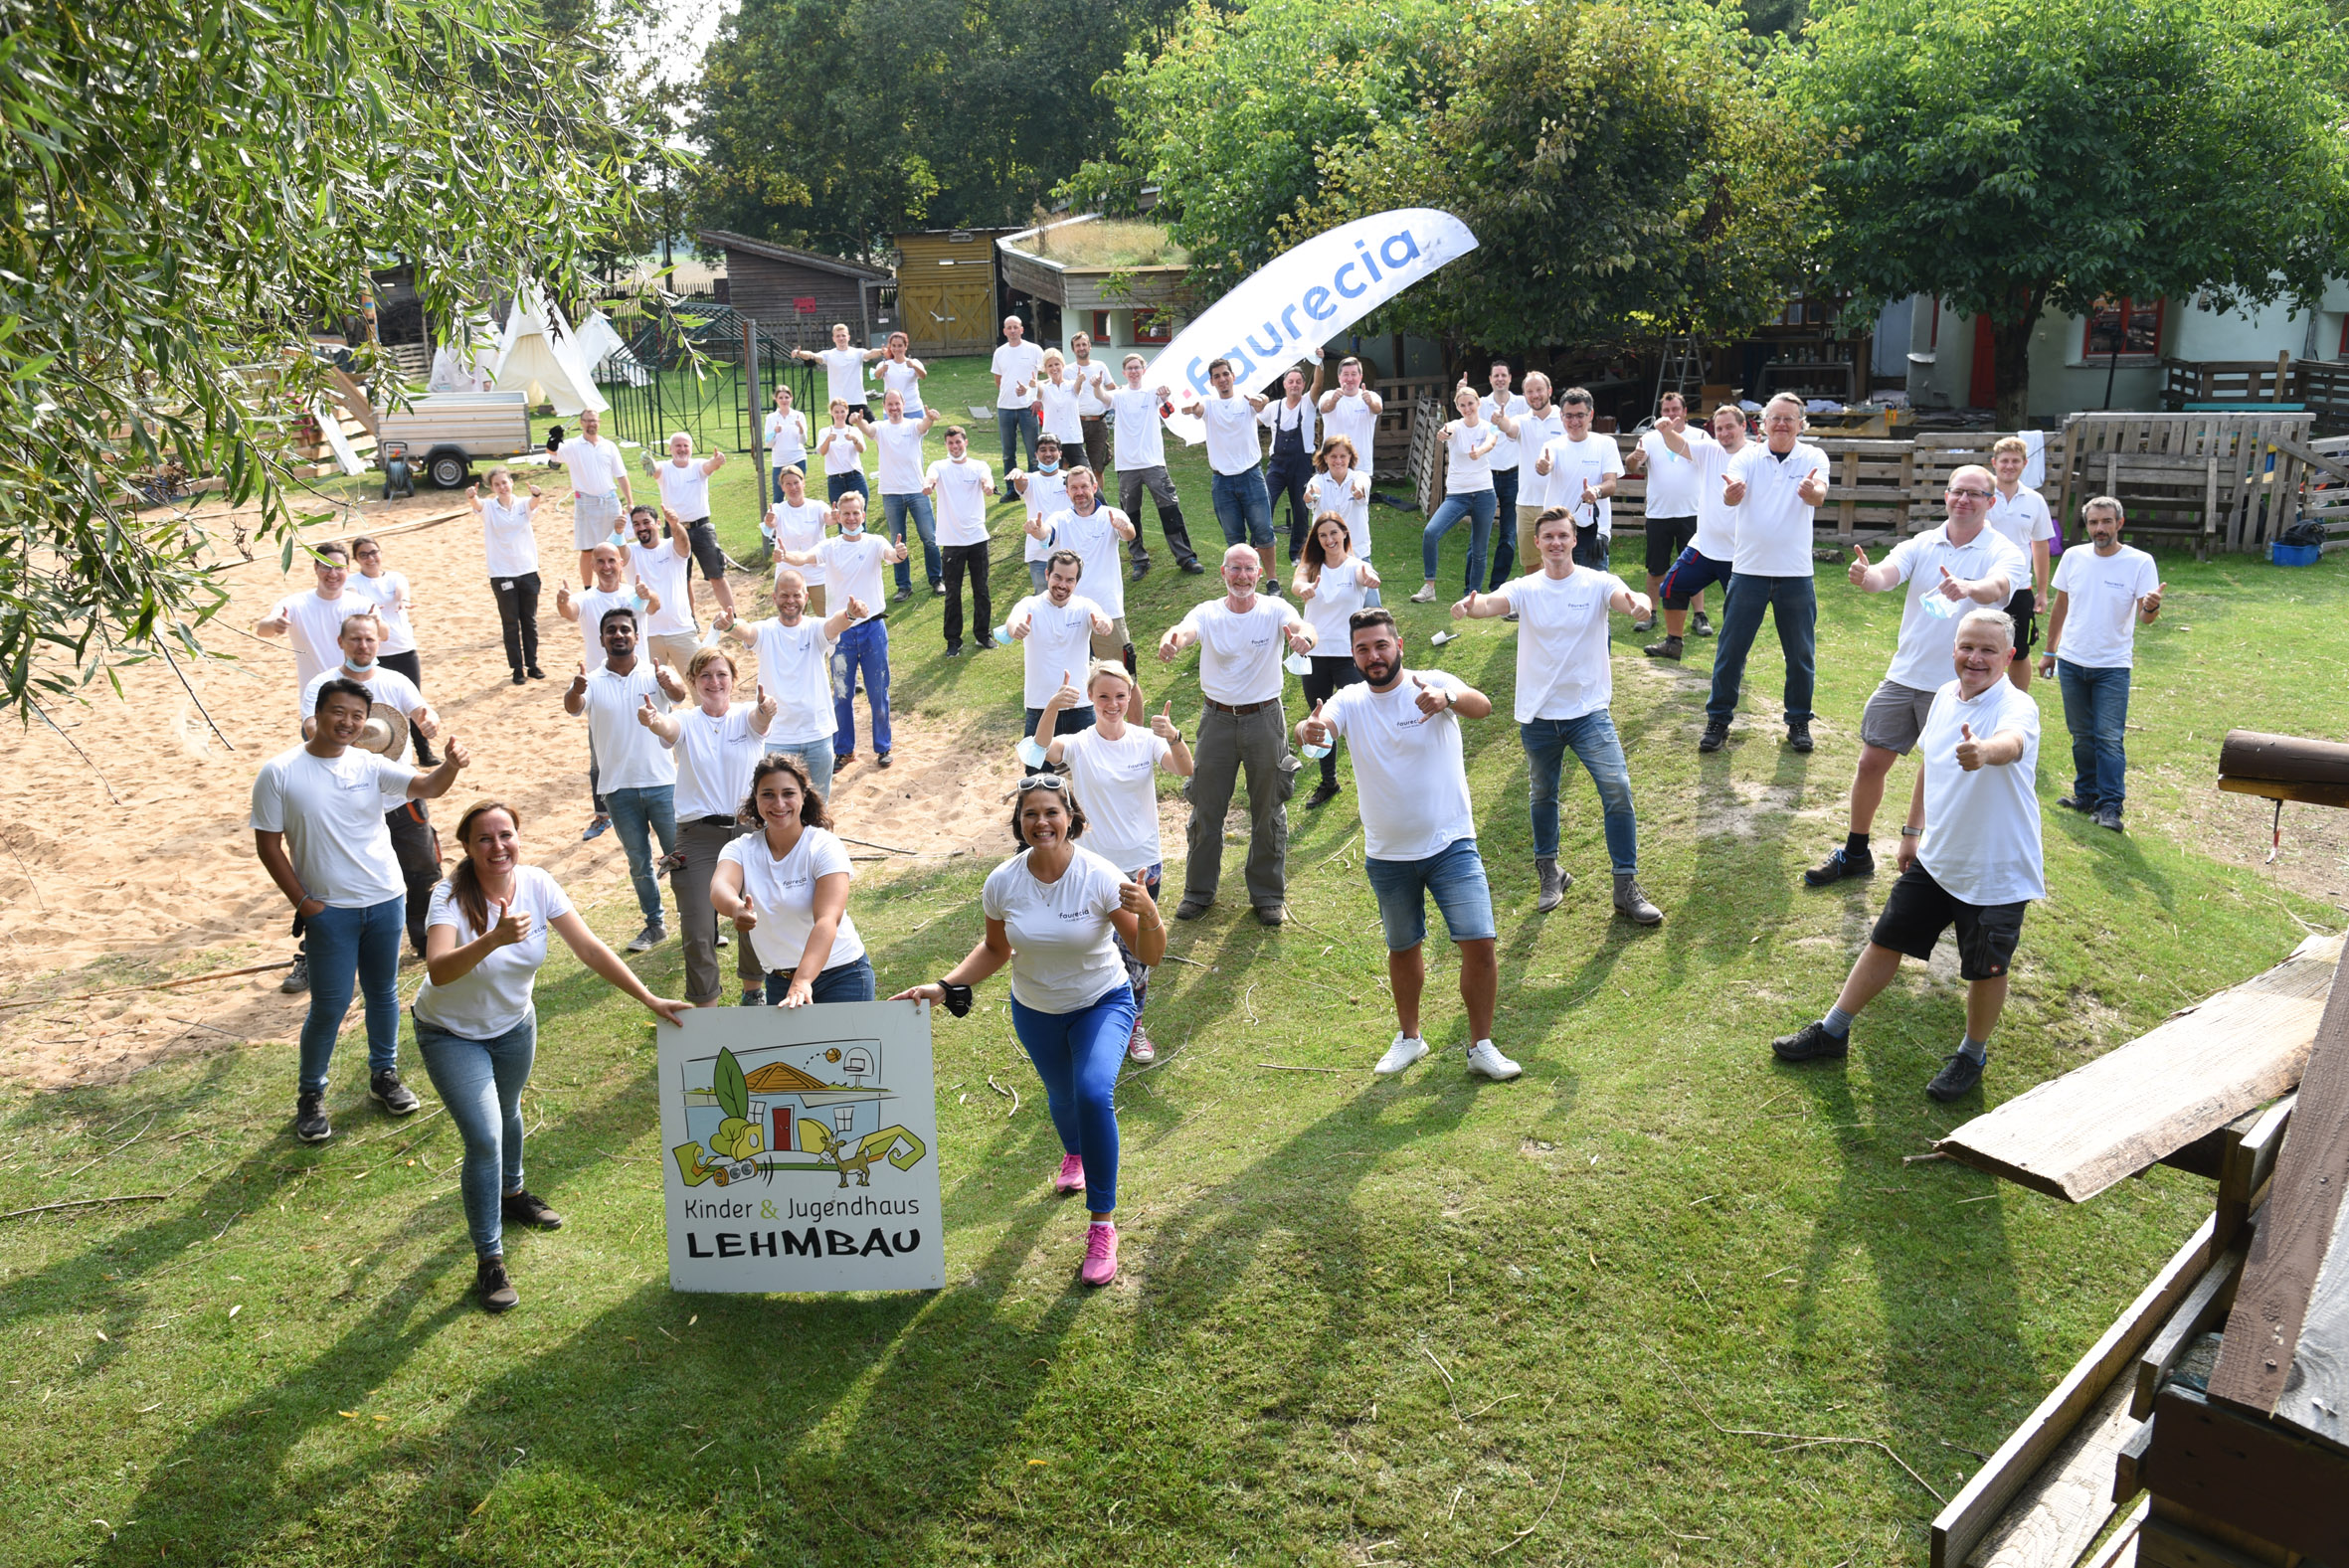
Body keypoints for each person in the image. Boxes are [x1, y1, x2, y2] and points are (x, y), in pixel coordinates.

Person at [890, 776, 1165, 1287]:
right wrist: (943, 986)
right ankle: (1075, 1154)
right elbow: (996, 950)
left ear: (1071, 819)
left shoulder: (1099, 876)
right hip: (1035, 1008)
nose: (1042, 822)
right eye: (1031, 813)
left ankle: (1102, 1224)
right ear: (1020, 823)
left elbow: (1149, 955)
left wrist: (1147, 909)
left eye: (1052, 812)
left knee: (1091, 1092)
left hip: (1102, 1001)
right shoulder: (1003, 882)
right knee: (1061, 1097)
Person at [415, 798, 688, 1311]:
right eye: (484, 839)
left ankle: (513, 1195)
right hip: (449, 1031)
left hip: (514, 1025)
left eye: (506, 835)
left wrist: (648, 998)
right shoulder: (448, 896)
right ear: (468, 847)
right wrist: (492, 939)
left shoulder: (538, 884)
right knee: (484, 1134)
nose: (498, 847)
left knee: (510, 1110)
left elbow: (590, 949)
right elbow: (438, 971)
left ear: (518, 837)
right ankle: (489, 1257)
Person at [1771, 609, 2043, 1103]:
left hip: (1997, 871)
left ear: (2007, 656)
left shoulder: (2017, 706)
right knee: (1885, 939)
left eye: (1987, 650)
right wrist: (1912, 832)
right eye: (1967, 646)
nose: (1974, 657)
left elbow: (2014, 742)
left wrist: (1985, 751)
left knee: (1985, 969)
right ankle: (1833, 1031)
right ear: (1954, 648)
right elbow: (1929, 766)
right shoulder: (1943, 696)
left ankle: (1972, 1055)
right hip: (1939, 859)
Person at [1298, 610, 1519, 1081]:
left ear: (1398, 643)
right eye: (1363, 649)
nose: (1373, 656)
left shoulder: (1430, 681)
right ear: (1353, 654)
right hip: (1388, 854)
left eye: (1380, 645)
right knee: (1404, 947)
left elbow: (1483, 706)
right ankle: (1411, 1038)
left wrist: (1448, 698)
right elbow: (1318, 733)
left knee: (1479, 943)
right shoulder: (1349, 699)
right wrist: (1309, 732)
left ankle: (1482, 1046)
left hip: (1451, 843)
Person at [251, 678, 470, 1142]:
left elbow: (428, 786)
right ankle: (310, 1096)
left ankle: (384, 1076)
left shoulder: (370, 765)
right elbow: (269, 846)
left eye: (356, 716)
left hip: (385, 899)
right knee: (329, 1006)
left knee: (384, 994)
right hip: (330, 911)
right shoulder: (280, 772)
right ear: (318, 712)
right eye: (338, 712)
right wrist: (306, 904)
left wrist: (450, 765)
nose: (347, 723)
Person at [1805, 464, 2026, 886]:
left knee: (1946, 774)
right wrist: (1865, 576)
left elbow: (1999, 586)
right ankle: (1856, 853)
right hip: (1905, 675)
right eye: (1957, 491)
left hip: (1961, 686)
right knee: (1871, 762)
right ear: (1946, 496)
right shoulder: (1924, 543)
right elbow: (1884, 576)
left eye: (1975, 494)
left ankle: (1932, 859)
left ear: (1991, 503)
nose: (1964, 500)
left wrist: (1969, 587)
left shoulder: (2003, 550)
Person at [1456, 506, 1663, 923]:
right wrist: (1472, 607)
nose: (1555, 543)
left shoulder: (1597, 582)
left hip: (1588, 712)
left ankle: (1625, 887)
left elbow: (1628, 599)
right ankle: (1550, 873)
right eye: (1547, 536)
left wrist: (1641, 603)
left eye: (1563, 536)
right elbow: (1493, 604)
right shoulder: (1526, 587)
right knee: (1542, 796)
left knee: (1617, 789)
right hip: (1538, 715)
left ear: (1573, 540)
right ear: (1537, 543)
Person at [1035, 662, 1193, 1063]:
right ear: (1091, 698)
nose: (1112, 704)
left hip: (1141, 867)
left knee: (1137, 951)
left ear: (1130, 698)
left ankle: (1134, 1025)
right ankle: (1093, 1023)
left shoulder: (1146, 740)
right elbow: (1039, 751)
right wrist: (1053, 706)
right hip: (1091, 867)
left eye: (1120, 696)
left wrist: (1174, 736)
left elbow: (1186, 769)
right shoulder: (1079, 742)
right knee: (1091, 946)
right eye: (1104, 696)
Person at [1158, 544, 1317, 924]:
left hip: (1265, 719)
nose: (1242, 576)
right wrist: (1172, 640)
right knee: (1206, 807)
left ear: (1260, 574)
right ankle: (1198, 891)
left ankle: (1267, 895)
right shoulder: (1209, 612)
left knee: (1268, 808)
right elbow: (1185, 630)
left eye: (1249, 569)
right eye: (1235, 569)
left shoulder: (1275, 609)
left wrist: (1304, 640)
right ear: (1223, 573)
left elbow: (1304, 627)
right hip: (1216, 721)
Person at [298, 611, 447, 955]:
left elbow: (423, 711)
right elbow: (309, 727)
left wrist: (429, 722)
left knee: (422, 869)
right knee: (333, 875)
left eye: (369, 639)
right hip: (345, 798)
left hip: (401, 796)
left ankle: (424, 942)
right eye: (355, 639)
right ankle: (317, 951)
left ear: (379, 642)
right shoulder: (323, 685)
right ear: (341, 643)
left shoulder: (395, 681)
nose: (363, 646)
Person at [640, 646, 779, 1007]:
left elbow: (761, 721)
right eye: (705, 675)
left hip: (748, 832)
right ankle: (707, 1007)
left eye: (721, 675)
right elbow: (667, 728)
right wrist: (655, 720)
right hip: (697, 837)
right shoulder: (685, 720)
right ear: (693, 682)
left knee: (751, 913)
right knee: (699, 927)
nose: (714, 682)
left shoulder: (746, 715)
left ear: (733, 680)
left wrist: (766, 711)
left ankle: (754, 990)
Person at [1702, 393, 1830, 754]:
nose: (1782, 424)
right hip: (1749, 571)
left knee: (1801, 655)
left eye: (1790, 418)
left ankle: (1799, 721)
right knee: (1731, 651)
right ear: (1762, 423)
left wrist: (1812, 491)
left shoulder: (1813, 457)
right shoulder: (1747, 456)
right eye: (1775, 418)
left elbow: (1820, 493)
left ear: (1801, 423)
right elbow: (1731, 495)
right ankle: (1718, 719)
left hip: (1795, 574)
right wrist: (1732, 493)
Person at [563, 607, 687, 953]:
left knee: (679, 857)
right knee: (639, 862)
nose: (618, 635)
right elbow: (572, 707)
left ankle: (696, 921)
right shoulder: (592, 680)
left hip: (662, 782)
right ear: (601, 639)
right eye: (611, 631)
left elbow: (679, 695)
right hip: (617, 789)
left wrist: (670, 681)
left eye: (624, 630)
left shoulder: (654, 673)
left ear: (636, 636)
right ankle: (655, 925)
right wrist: (575, 689)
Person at [2040, 496, 2164, 831]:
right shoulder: (2073, 557)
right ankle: (2086, 795)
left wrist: (2151, 607)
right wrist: (2050, 651)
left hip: (2112, 665)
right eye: (2093, 523)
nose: (2099, 529)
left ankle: (2111, 807)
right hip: (2071, 660)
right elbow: (2060, 606)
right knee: (2081, 735)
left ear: (2119, 524)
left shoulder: (2139, 562)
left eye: (2106, 522)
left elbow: (2147, 619)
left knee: (2108, 737)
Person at [715, 754, 877, 1006]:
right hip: (779, 981)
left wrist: (802, 981)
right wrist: (735, 908)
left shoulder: (824, 845)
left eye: (788, 793)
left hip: (843, 976)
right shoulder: (740, 849)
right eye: (767, 794)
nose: (779, 804)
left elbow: (827, 919)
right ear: (755, 799)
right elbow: (721, 886)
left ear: (804, 796)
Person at [778, 491, 906, 770]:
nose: (851, 518)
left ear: (863, 514)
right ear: (838, 515)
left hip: (873, 628)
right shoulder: (830, 546)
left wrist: (899, 554)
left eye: (856, 513)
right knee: (841, 693)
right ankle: (844, 750)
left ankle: (883, 747)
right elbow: (805, 557)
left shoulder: (874, 542)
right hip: (841, 631)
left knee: (878, 690)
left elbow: (891, 555)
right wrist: (787, 555)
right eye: (846, 513)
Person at [719, 567, 860, 807]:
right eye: (784, 595)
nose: (790, 601)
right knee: (780, 807)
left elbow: (834, 626)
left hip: (817, 733)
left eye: (796, 595)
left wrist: (849, 614)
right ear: (774, 598)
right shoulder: (766, 630)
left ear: (806, 597)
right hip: (778, 737)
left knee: (817, 806)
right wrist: (731, 626)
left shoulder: (815, 628)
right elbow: (747, 632)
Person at [555, 544, 658, 843]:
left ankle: (660, 805)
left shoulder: (634, 593)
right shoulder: (586, 598)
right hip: (601, 684)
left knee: (656, 743)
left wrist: (647, 594)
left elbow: (655, 606)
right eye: (599, 561)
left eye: (611, 560)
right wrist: (562, 601)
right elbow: (569, 611)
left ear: (621, 562)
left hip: (640, 679)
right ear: (593, 565)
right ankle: (603, 815)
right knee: (599, 753)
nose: (606, 566)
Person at [1292, 510, 1379, 807]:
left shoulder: (1356, 566)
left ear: (1344, 534)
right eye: (1322, 535)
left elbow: (1365, 575)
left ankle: (1377, 780)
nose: (1329, 539)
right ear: (1317, 540)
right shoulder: (1310, 566)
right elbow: (1297, 582)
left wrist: (1370, 577)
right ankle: (1329, 783)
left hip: (1346, 658)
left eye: (1333, 533)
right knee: (1320, 723)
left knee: (1358, 719)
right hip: (1314, 657)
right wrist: (1303, 588)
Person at [1644, 404, 1744, 660]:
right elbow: (1679, 446)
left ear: (1743, 426)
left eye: (1729, 427)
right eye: (1719, 428)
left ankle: (1736, 659)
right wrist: (1665, 430)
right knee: (1671, 587)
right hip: (1704, 546)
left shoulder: (1756, 454)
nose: (1724, 433)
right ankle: (1673, 643)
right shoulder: (1709, 450)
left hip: (1740, 552)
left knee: (1739, 608)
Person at [1010, 550, 1114, 772]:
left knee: (1094, 773)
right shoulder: (1029, 605)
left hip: (1081, 707)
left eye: (1070, 580)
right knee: (1036, 778)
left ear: (1077, 582)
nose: (1062, 585)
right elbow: (1013, 621)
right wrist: (1016, 627)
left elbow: (1102, 618)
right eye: (1058, 577)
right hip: (1040, 707)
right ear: (1047, 574)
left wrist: (1104, 624)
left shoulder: (1085, 606)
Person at [1030, 466, 1139, 666]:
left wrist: (1125, 528)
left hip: (1107, 611)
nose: (1079, 492)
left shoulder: (1111, 514)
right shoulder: (1060, 518)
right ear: (1067, 492)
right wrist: (1038, 531)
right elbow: (1047, 533)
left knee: (1121, 676)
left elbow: (1129, 534)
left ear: (1095, 487)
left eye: (1084, 486)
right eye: (1074, 488)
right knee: (1071, 676)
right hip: (1068, 612)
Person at [345, 536, 438, 766]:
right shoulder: (354, 582)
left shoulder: (395, 577)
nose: (370, 558)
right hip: (374, 655)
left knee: (412, 701)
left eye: (373, 552)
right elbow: (353, 598)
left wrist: (404, 600)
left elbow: (401, 591)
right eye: (363, 554)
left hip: (404, 648)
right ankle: (380, 750)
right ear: (356, 559)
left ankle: (424, 753)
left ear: (381, 552)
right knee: (375, 705)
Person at [1110, 352, 1203, 577]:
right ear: (1124, 372)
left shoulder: (1153, 392)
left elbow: (1168, 411)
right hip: (1126, 465)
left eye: (1137, 367)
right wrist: (1093, 387)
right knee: (1130, 515)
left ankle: (1186, 557)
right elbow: (1101, 399)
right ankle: (1139, 559)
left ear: (1144, 370)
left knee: (1170, 510)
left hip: (1153, 463)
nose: (1133, 371)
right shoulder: (1118, 395)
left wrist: (1165, 397)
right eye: (1129, 368)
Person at [1411, 383, 1501, 603]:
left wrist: (1479, 450)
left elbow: (1491, 441)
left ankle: (1473, 595)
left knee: (1479, 550)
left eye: (1470, 403)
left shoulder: (1490, 426)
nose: (1467, 408)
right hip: (1458, 495)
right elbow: (1445, 432)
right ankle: (1429, 587)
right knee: (1431, 532)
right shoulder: (1455, 425)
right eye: (1462, 405)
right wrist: (1443, 434)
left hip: (1484, 494)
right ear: (1458, 407)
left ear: (1478, 403)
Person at [1625, 392, 1704, 636]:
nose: (1671, 415)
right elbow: (1632, 466)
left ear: (1685, 412)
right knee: (1656, 568)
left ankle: (1700, 616)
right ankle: (1651, 613)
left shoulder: (1699, 436)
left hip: (1692, 512)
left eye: (1675, 410)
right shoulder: (1649, 438)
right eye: (1666, 410)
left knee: (1695, 566)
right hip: (1659, 514)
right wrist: (1634, 458)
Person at [1194, 357, 1278, 585]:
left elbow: (1261, 400)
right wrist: (1193, 409)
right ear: (1211, 382)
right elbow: (1198, 409)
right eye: (1216, 376)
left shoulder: (1246, 398)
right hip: (1222, 482)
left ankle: (1272, 580)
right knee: (1235, 539)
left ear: (1233, 376)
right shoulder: (1208, 403)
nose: (1222, 379)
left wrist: (1260, 399)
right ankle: (1241, 582)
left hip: (1251, 476)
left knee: (1263, 532)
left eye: (1225, 374)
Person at [1986, 435, 2058, 692]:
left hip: (2018, 587)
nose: (2009, 466)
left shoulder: (2034, 500)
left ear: (2025, 464)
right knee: (1975, 646)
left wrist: (2041, 592)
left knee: (2018, 650)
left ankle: (2017, 705)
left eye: (2015, 461)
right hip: (1981, 583)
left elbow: (2040, 545)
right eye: (2004, 460)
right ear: (1994, 463)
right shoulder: (1981, 495)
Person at [643, 432, 736, 622]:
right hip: (675, 529)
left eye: (686, 446)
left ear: (691, 449)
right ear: (670, 449)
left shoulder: (697, 466)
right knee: (681, 578)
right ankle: (690, 619)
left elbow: (710, 466)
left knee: (716, 574)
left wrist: (717, 461)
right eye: (678, 446)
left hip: (701, 527)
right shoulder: (665, 469)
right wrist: (649, 462)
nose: (682, 449)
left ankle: (733, 617)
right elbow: (656, 469)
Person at [466, 469, 548, 685]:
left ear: (511, 483)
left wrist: (537, 495)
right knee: (511, 623)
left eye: (505, 482)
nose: (502, 487)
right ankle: (517, 668)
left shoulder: (522, 504)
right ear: (491, 488)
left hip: (527, 570)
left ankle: (532, 664)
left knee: (529, 621)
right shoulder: (490, 507)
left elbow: (533, 504)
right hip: (502, 573)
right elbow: (478, 506)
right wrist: (472, 497)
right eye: (497, 484)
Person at [1529, 386, 1622, 572]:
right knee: (1557, 591)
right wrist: (1543, 466)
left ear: (1591, 415)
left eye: (1580, 415)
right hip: (1558, 533)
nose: (1574, 421)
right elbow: (1546, 464)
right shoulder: (1552, 446)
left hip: (1593, 533)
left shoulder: (1606, 444)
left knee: (1595, 593)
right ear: (1561, 416)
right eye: (1569, 416)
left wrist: (1596, 491)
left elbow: (1611, 484)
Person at [256, 542, 357, 706]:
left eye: (339, 567)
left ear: (348, 569)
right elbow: (262, 630)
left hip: (357, 700)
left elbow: (383, 634)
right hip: (316, 703)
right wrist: (275, 624)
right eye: (326, 567)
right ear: (315, 568)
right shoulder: (295, 603)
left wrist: (378, 622)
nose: (332, 574)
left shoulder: (362, 605)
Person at [926, 424, 997, 655]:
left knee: (982, 589)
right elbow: (931, 477)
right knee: (952, 594)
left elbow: (987, 479)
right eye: (950, 443)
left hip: (977, 539)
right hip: (952, 542)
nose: (955, 446)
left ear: (965, 442)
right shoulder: (939, 466)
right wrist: (928, 484)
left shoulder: (979, 465)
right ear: (946, 445)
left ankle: (982, 635)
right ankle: (953, 641)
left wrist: (988, 486)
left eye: (958, 442)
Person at [872, 390, 944, 601]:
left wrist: (930, 418)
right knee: (898, 541)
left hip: (917, 491)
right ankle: (903, 586)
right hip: (891, 493)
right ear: (884, 406)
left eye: (897, 403)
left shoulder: (912, 425)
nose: (894, 408)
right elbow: (867, 430)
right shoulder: (880, 427)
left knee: (929, 537)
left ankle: (937, 579)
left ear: (903, 404)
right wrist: (858, 422)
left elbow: (924, 426)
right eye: (890, 404)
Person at [556, 407, 632, 582]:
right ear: (581, 423)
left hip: (609, 500)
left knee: (614, 546)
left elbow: (621, 475)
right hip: (586, 502)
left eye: (594, 420)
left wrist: (630, 501)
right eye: (588, 420)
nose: (592, 424)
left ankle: (616, 584)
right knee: (587, 549)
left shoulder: (609, 446)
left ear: (599, 423)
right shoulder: (572, 446)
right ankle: (588, 588)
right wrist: (553, 441)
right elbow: (554, 456)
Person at [1261, 359, 1325, 565]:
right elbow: (1250, 417)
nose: (1295, 385)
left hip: (1302, 465)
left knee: (1301, 508)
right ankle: (1258, 548)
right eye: (1291, 381)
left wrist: (1319, 362)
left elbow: (1318, 384)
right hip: (1277, 465)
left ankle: (1297, 553)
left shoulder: (1308, 403)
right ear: (1284, 384)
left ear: (1303, 385)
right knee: (1265, 503)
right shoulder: (1273, 407)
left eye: (1298, 381)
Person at [626, 503, 701, 674]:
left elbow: (684, 545)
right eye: (636, 524)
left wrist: (675, 524)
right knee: (651, 689)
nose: (642, 528)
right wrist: (617, 532)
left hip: (681, 629)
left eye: (646, 522)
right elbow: (615, 554)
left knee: (699, 683)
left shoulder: (671, 547)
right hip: (647, 634)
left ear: (658, 523)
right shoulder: (631, 552)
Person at [1507, 373, 1567, 585]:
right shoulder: (1521, 421)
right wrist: (1500, 421)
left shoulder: (1564, 419)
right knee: (1531, 563)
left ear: (1549, 391)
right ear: (1524, 395)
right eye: (1529, 391)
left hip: (1558, 503)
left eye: (1539, 390)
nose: (1535, 395)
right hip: (1526, 502)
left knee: (1559, 559)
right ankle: (1535, 605)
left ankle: (1559, 604)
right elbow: (1509, 429)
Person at [1477, 361, 1529, 585]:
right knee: (1480, 533)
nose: (1499, 379)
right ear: (1490, 379)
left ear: (1509, 379)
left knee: (1508, 535)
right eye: (1495, 375)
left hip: (1514, 475)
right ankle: (1472, 585)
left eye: (1503, 375)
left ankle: (1498, 584)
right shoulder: (1481, 404)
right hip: (1487, 475)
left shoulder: (1522, 403)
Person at [762, 465, 831, 616]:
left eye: (796, 482)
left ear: (803, 483)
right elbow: (770, 525)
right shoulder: (777, 509)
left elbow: (830, 519)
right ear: (782, 487)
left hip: (817, 573)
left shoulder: (817, 506)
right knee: (791, 620)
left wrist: (836, 516)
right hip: (788, 576)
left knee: (827, 618)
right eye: (788, 484)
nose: (793, 487)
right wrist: (769, 521)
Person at [1009, 433, 1070, 594]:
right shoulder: (1030, 479)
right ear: (1036, 455)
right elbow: (1022, 484)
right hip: (1039, 555)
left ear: (1060, 453)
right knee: (1043, 599)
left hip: (1068, 552)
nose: (1048, 454)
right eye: (1043, 450)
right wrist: (1017, 474)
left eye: (1052, 449)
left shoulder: (1070, 479)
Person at [1317, 357, 1384, 491]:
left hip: (1361, 466)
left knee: (1357, 507)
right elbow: (1324, 408)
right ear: (1339, 377)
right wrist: (1334, 401)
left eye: (1354, 374)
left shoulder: (1371, 396)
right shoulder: (1329, 395)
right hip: (1332, 464)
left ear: (1361, 377)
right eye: (1346, 374)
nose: (1350, 379)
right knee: (1329, 509)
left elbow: (1378, 409)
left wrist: (1369, 402)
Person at [993, 313, 1046, 478]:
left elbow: (1045, 376)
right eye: (1009, 328)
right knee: (1008, 453)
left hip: (1028, 407)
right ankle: (1011, 489)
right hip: (1005, 408)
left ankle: (1034, 485)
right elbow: (998, 380)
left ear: (1022, 329)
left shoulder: (1034, 350)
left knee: (1033, 452)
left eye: (1016, 327)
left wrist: (1036, 398)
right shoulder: (999, 352)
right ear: (1004, 331)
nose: (1013, 330)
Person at [794, 322, 878, 422]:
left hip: (858, 400)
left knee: (875, 426)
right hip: (838, 404)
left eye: (843, 335)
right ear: (834, 339)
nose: (841, 338)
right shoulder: (828, 355)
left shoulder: (858, 352)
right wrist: (800, 353)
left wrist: (882, 351)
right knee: (841, 434)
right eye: (838, 336)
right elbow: (812, 355)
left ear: (848, 337)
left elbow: (870, 353)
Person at [1068, 331, 1117, 474]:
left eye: (1084, 344)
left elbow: (1112, 388)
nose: (1081, 348)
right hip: (1076, 423)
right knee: (1069, 466)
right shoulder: (1067, 370)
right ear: (1073, 349)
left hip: (1098, 423)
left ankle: (1097, 497)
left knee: (1097, 469)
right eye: (1078, 345)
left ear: (1090, 346)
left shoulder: (1100, 366)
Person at [764, 384, 812, 502]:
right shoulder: (771, 418)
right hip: (779, 461)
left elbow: (803, 440)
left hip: (797, 458)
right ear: (776, 400)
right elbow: (768, 443)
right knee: (778, 496)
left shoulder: (799, 415)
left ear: (791, 398)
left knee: (798, 493)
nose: (784, 400)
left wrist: (800, 428)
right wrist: (774, 432)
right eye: (780, 398)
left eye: (786, 397)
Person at [817, 398, 869, 504]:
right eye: (836, 412)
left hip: (855, 477)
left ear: (847, 412)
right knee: (841, 516)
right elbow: (822, 452)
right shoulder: (824, 432)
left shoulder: (854, 430)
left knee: (859, 516)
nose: (840, 415)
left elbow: (861, 450)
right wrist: (828, 440)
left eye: (842, 411)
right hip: (835, 480)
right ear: (831, 412)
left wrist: (854, 439)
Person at [1035, 349, 1087, 454]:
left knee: (1085, 470)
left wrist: (1080, 379)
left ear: (1063, 365)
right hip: (1051, 440)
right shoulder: (1043, 387)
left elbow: (1077, 389)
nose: (1054, 368)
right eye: (1050, 366)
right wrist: (1031, 386)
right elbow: (1037, 390)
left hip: (1073, 438)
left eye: (1056, 364)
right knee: (1055, 470)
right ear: (1045, 369)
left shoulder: (1071, 384)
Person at [873, 331, 927, 418]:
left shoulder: (914, 362)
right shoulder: (885, 364)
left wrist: (914, 366)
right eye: (894, 346)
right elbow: (876, 376)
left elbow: (923, 376)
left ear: (905, 346)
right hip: (892, 410)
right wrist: (882, 369)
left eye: (900, 346)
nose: (897, 349)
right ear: (890, 347)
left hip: (913, 408)